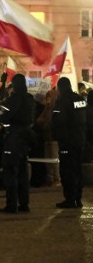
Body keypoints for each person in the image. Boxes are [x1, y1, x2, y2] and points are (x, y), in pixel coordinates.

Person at [0, 74, 35, 213]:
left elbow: (1, 113)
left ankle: (11, 204)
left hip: (13, 137)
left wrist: (0, 104)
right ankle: (24, 203)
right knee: (23, 172)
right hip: (25, 137)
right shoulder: (29, 98)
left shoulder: (13, 99)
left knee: (10, 171)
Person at [52, 77, 87, 208]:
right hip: (79, 141)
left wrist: (57, 134)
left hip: (67, 142)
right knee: (77, 169)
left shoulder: (62, 102)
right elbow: (85, 119)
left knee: (67, 171)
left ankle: (70, 199)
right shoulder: (80, 99)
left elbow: (58, 122)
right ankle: (78, 198)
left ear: (60, 88)